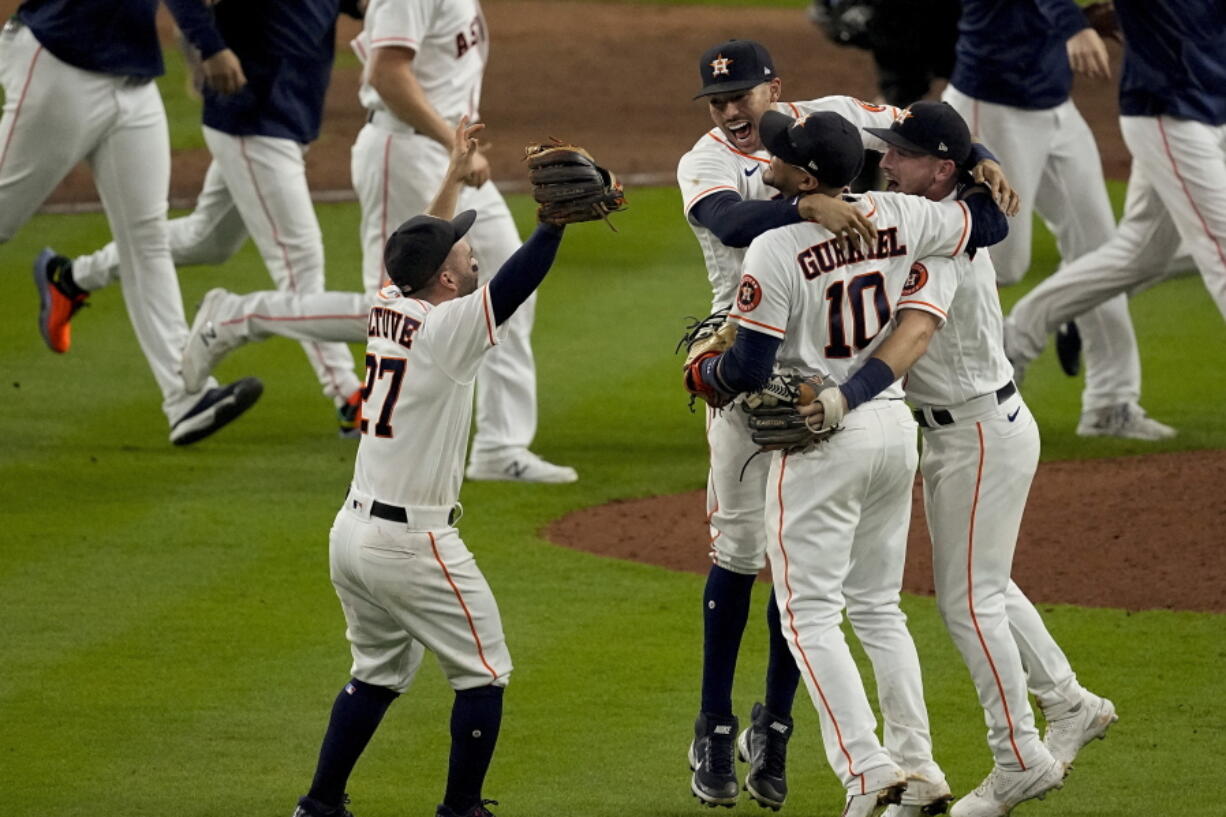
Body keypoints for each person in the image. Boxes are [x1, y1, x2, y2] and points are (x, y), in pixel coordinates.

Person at [676, 39, 1014, 812]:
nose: (730, 111)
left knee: (806, 587)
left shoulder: (826, 132)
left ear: (777, 92)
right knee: (746, 552)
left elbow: (923, 127)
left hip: (766, 372)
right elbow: (729, 219)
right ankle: (718, 722)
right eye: (718, 101)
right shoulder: (715, 165)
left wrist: (977, 154)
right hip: (839, 384)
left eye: (743, 96)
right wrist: (807, 203)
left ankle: (789, 730)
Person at [838, 101, 1116, 817]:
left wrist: (844, 397)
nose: (886, 162)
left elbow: (915, 338)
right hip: (973, 429)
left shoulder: (944, 241)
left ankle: (1018, 755)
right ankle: (1069, 701)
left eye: (901, 155)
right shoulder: (941, 211)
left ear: (940, 168)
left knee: (969, 601)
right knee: (984, 584)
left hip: (977, 433)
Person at [292, 120, 575, 817]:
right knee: (484, 673)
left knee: (377, 672)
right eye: (465, 247)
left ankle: (320, 804)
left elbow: (430, 234)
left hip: (352, 536)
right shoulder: (448, 330)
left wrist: (452, 167)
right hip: (411, 543)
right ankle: (460, 809)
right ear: (446, 276)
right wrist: (553, 226)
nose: (474, 249)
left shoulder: (392, 303)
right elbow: (511, 286)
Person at [39, 0, 368, 437]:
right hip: (251, 119)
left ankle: (71, 277)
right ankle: (347, 395)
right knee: (299, 261)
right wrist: (210, 49)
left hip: (289, 118)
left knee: (205, 239)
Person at [5, 0, 261, 445]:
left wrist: (199, 43)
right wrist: (209, 47)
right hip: (60, 65)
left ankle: (186, 397)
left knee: (147, 238)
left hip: (134, 79)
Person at [347, 0, 574, 482]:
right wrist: (451, 144)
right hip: (407, 149)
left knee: (510, 280)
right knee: (393, 305)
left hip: (445, 152)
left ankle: (499, 446)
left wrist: (455, 154)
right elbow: (386, 73)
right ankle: (245, 320)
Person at [941, 0, 1174, 440]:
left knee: (1102, 253)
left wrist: (1082, 20)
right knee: (1000, 263)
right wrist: (1071, 26)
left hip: (1055, 105)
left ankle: (1111, 402)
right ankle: (942, 385)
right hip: (991, 107)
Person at [1004, 0, 1226, 383]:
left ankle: (1019, 332)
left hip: (1215, 106)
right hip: (1169, 112)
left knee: (1141, 254)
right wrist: (1073, 26)